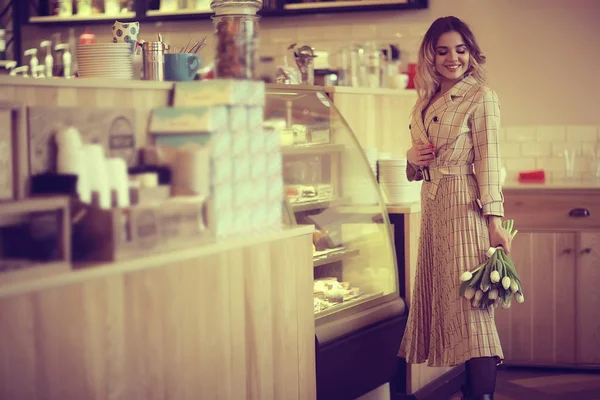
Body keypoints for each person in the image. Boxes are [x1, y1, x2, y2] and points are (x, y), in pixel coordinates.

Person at [397, 16, 512, 400]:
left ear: (470, 53)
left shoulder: (481, 96)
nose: (453, 58)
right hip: (432, 209)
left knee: (472, 315)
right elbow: (418, 165)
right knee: (451, 311)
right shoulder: (425, 99)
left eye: (460, 50)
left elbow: (489, 161)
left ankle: (481, 396)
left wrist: (494, 223)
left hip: (465, 209)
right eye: (443, 50)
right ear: (430, 55)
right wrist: (411, 157)